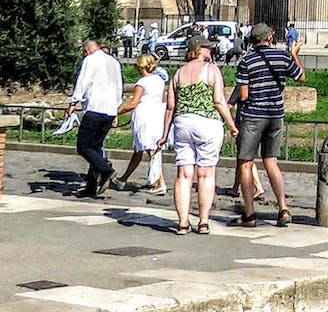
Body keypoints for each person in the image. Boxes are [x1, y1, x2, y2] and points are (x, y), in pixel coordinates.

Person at [160, 35, 238, 234]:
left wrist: (164, 134)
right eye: (206, 48)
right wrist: (231, 125)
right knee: (206, 174)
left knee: (184, 175)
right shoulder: (211, 70)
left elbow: (170, 107)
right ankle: (203, 221)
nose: (210, 51)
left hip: (183, 123)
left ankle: (183, 222)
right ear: (198, 49)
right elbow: (219, 101)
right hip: (207, 123)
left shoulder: (178, 74)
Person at [233, 22, 304, 228]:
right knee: (271, 162)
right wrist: (294, 54)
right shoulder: (282, 56)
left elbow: (244, 94)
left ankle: (249, 215)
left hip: (253, 115)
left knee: (246, 163)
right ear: (270, 37)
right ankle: (283, 208)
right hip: (276, 115)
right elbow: (301, 77)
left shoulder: (247, 60)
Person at [67, 39, 124, 197]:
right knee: (96, 147)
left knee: (83, 146)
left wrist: (73, 102)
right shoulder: (114, 62)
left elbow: (82, 81)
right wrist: (116, 107)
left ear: (87, 50)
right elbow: (119, 85)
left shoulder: (90, 60)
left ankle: (107, 171)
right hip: (110, 109)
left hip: (95, 108)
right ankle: (91, 186)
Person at [114, 53, 167, 194]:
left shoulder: (141, 83)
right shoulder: (160, 81)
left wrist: (117, 111)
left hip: (144, 114)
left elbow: (133, 103)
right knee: (141, 149)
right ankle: (123, 178)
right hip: (157, 113)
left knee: (150, 148)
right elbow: (163, 99)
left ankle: (161, 182)